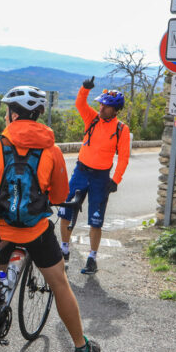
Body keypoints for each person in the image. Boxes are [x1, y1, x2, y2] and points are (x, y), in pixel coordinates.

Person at [0, 85, 101, 352]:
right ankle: (80, 346)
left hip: (0, 230)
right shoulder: (52, 151)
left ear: (13, 114)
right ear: (36, 115)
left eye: (6, 112)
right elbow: (60, 196)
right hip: (36, 233)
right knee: (60, 283)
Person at [59, 77, 131, 275]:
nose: (101, 108)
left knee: (95, 220)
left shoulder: (121, 129)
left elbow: (124, 157)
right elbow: (80, 103)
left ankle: (92, 258)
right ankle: (64, 249)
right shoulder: (92, 119)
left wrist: (116, 179)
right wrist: (85, 88)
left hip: (101, 177)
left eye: (106, 106)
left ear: (115, 110)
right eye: (101, 104)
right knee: (65, 211)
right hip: (81, 172)